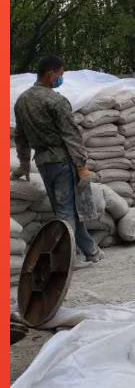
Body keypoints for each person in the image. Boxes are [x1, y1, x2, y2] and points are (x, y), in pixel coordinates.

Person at [12, 55, 103, 263]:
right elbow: (71, 135)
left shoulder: (22, 101)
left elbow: (20, 137)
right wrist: (81, 166)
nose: (61, 78)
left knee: (65, 209)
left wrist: (24, 165)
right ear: (50, 74)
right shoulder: (55, 100)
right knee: (66, 212)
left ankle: (90, 251)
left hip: (43, 163)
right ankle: (66, 260)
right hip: (62, 161)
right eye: (60, 74)